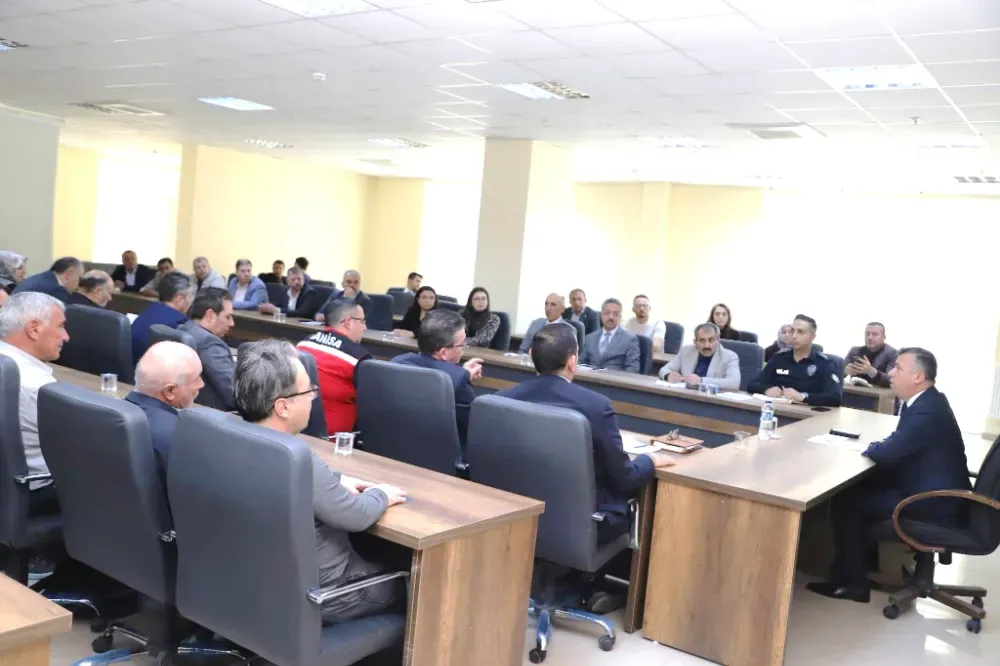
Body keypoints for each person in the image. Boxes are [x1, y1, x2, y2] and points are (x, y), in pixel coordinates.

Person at [234, 340, 407, 624]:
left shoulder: (233, 437)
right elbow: (355, 515)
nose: (314, 397)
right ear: (283, 406)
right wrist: (381, 494)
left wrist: (335, 480)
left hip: (259, 583)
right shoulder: (295, 458)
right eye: (309, 391)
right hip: (328, 594)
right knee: (409, 581)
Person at [806, 348, 971, 603]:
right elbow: (899, 444)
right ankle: (859, 568)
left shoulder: (926, 410)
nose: (890, 373)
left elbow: (887, 453)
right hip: (935, 490)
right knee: (861, 488)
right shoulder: (929, 401)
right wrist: (882, 447)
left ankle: (852, 584)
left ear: (918, 377)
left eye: (898, 368)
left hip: (933, 501)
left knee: (847, 501)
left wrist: (874, 447)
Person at [500, 323, 674, 543]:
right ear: (572, 362)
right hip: (582, 524)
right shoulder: (596, 406)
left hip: (517, 514)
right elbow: (625, 478)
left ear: (532, 354)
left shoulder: (502, 399)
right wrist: (649, 460)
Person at [0, 293, 69, 514]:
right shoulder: (37, 387)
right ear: (34, 328)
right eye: (61, 326)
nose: (66, 336)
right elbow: (81, 446)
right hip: (33, 494)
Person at [393, 310, 482, 448]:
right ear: (444, 353)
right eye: (462, 344)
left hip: (395, 445)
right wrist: (461, 377)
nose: (464, 348)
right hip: (439, 454)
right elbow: (477, 427)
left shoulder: (397, 363)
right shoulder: (458, 384)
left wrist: (460, 373)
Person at [125, 341, 204, 492]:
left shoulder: (112, 416)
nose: (201, 384)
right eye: (197, 378)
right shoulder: (180, 438)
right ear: (170, 391)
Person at [297, 299, 372, 434]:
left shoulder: (303, 344)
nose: (365, 328)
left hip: (297, 427)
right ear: (349, 322)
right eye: (362, 321)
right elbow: (369, 405)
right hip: (335, 439)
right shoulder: (359, 358)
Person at [747, 314, 842, 406]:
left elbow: (835, 397)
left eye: (800, 332)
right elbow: (753, 384)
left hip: (805, 413)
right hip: (777, 408)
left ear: (812, 337)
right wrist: (766, 389)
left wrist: (803, 397)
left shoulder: (824, 363)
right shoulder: (779, 358)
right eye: (792, 331)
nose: (794, 336)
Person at [178, 288, 235, 411]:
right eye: (228, 317)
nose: (232, 323)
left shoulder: (183, 328)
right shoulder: (210, 343)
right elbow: (234, 393)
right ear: (210, 315)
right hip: (217, 415)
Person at [130, 272, 193, 365]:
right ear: (179, 299)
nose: (191, 301)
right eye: (190, 297)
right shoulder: (180, 322)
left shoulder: (149, 310)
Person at [658, 323, 740, 390]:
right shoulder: (686, 351)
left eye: (711, 340)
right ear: (695, 341)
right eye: (702, 340)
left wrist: (701, 381)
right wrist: (668, 375)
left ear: (718, 340)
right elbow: (664, 369)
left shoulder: (729, 356)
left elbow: (734, 383)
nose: (707, 345)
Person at [580, 298, 641, 373]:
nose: (611, 317)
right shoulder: (590, 338)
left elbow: (633, 369)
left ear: (620, 317)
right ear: (601, 315)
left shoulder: (630, 339)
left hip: (615, 379)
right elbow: (580, 364)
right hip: (589, 378)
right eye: (607, 313)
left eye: (615, 314)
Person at [844, 322, 899, 388]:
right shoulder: (855, 351)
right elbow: (837, 374)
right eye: (867, 334)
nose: (870, 337)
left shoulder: (893, 354)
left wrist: (871, 372)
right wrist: (845, 371)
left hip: (879, 393)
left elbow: (891, 380)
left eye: (875, 334)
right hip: (855, 391)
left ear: (884, 337)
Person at [13, 257, 83, 304]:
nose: (78, 286)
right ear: (68, 274)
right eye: (79, 278)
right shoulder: (56, 290)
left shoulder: (40, 279)